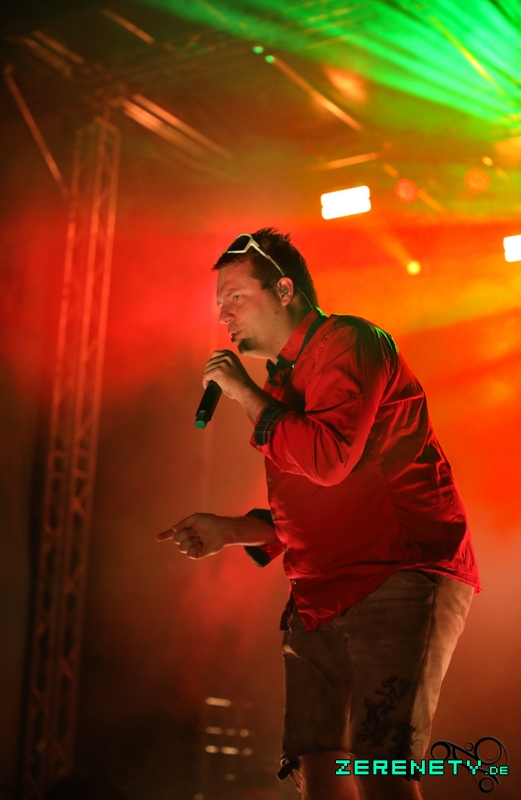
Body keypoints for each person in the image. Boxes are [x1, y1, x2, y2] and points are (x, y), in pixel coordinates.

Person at [158, 228, 480, 800]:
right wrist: (230, 530)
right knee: (317, 765)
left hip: (397, 573)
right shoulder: (281, 380)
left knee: (382, 765)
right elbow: (314, 505)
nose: (223, 315)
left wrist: (244, 393)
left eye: (236, 297)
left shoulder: (350, 342)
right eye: (219, 304)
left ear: (284, 290)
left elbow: (328, 459)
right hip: (320, 593)